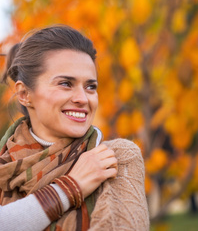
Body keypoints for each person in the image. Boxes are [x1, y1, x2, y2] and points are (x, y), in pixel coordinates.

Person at [0, 25, 149, 231]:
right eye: (65, 83)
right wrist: (68, 189)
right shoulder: (4, 166)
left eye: (90, 86)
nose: (82, 99)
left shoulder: (116, 158)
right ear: (25, 94)